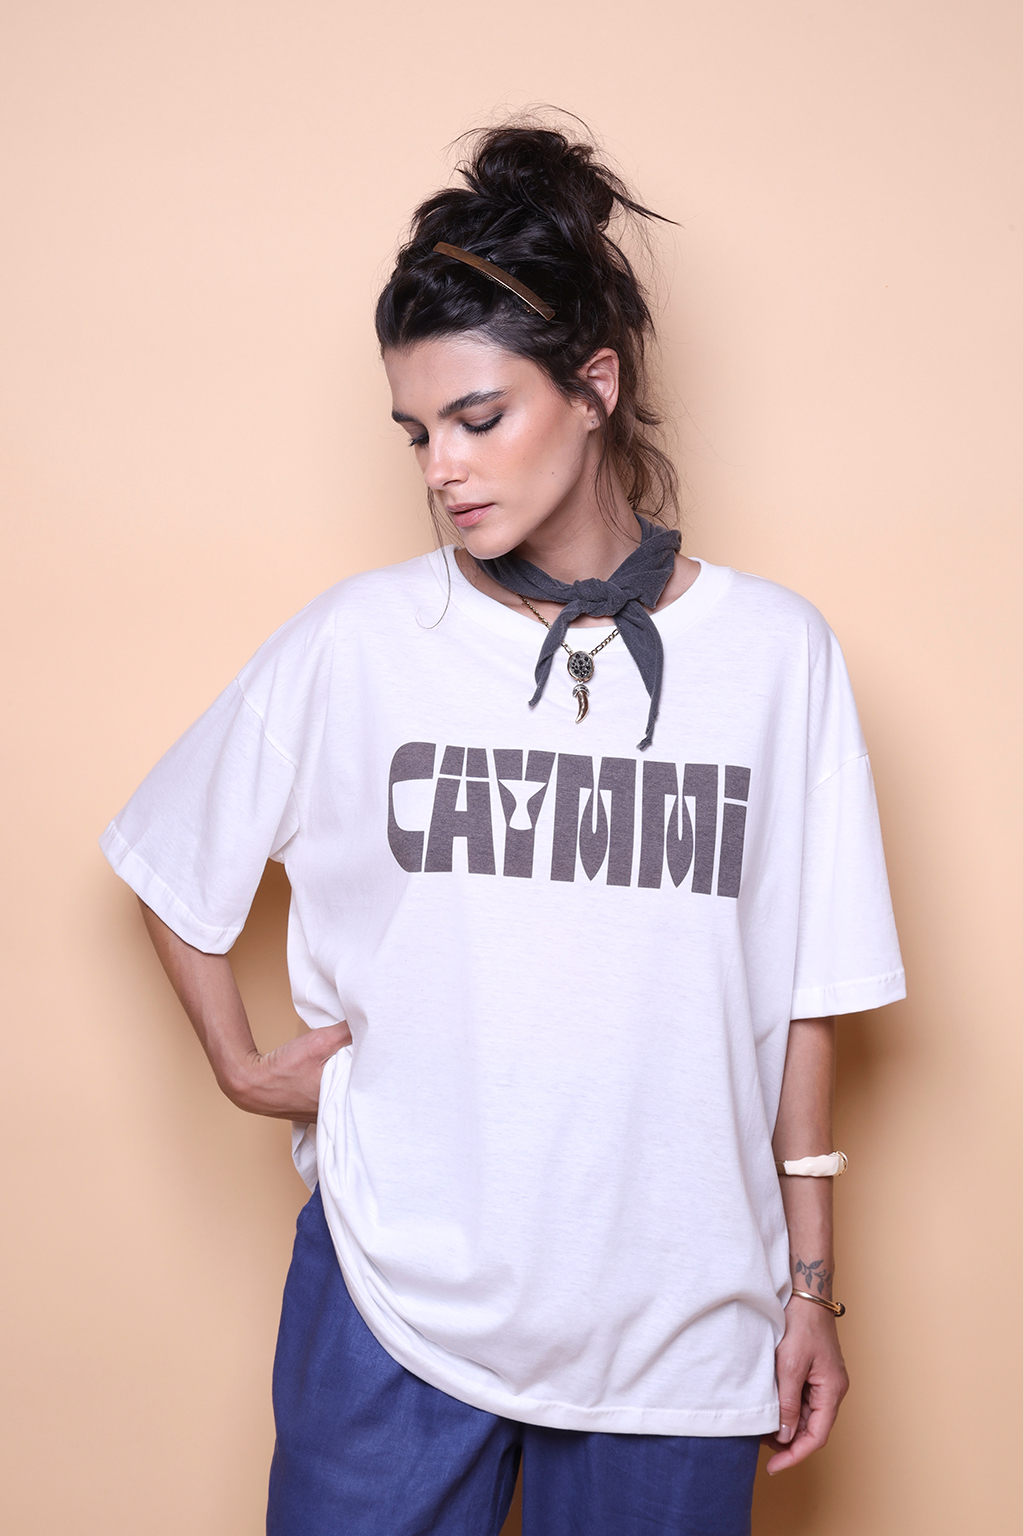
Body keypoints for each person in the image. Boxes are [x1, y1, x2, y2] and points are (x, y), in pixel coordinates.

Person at [100, 121, 905, 1536]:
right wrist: (239, 1066)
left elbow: (805, 999)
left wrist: (809, 1288)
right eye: (418, 432)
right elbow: (171, 862)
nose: (443, 468)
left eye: (479, 417)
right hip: (395, 1297)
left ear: (594, 386)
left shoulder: (776, 656)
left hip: (678, 1321)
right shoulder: (364, 641)